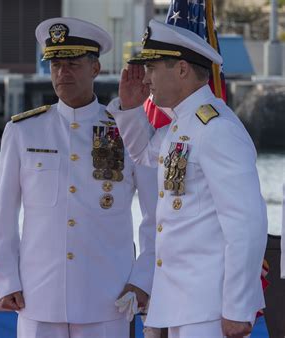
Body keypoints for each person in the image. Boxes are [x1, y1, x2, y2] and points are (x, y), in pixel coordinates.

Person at [0, 17, 158, 338]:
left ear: (95, 69)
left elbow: (155, 215)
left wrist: (142, 280)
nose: (62, 72)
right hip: (38, 297)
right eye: (55, 64)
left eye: (72, 63)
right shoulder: (23, 131)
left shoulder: (128, 129)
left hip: (108, 299)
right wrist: (6, 279)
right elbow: (4, 215)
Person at [107, 20, 268, 337]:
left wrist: (237, 307)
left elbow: (246, 224)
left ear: (181, 69)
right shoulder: (181, 126)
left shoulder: (217, 129)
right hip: (179, 306)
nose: (147, 78)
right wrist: (129, 107)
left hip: (210, 310)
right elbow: (144, 154)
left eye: (153, 68)